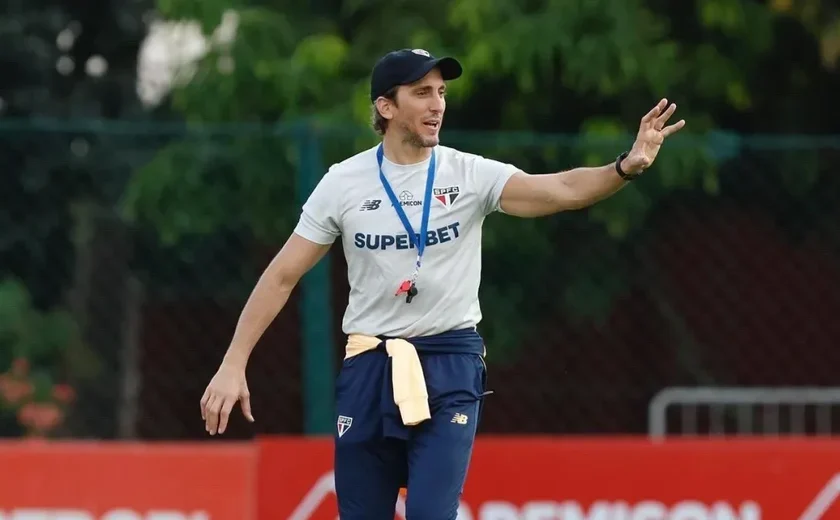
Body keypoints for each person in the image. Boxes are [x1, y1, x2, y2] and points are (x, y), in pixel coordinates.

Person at [199, 48, 685, 519]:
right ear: (385, 107)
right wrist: (233, 362)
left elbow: (560, 190)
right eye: (422, 93)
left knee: (432, 513)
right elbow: (282, 275)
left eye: (441, 92)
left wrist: (625, 167)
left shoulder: (468, 173)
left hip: (450, 361)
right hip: (370, 363)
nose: (437, 105)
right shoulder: (343, 183)